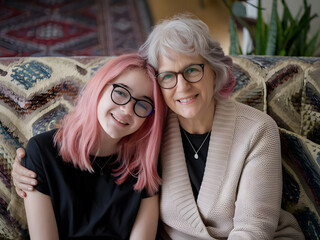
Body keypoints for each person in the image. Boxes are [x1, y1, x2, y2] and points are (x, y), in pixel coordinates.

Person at [12, 14, 304, 239]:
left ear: (214, 72)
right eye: (168, 76)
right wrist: (25, 165)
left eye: (192, 70)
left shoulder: (256, 130)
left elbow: (254, 231)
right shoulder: (148, 129)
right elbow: (90, 135)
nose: (182, 86)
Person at [12, 53, 167, 239]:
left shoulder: (144, 164)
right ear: (99, 88)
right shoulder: (42, 151)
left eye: (143, 104)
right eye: (120, 92)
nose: (127, 110)